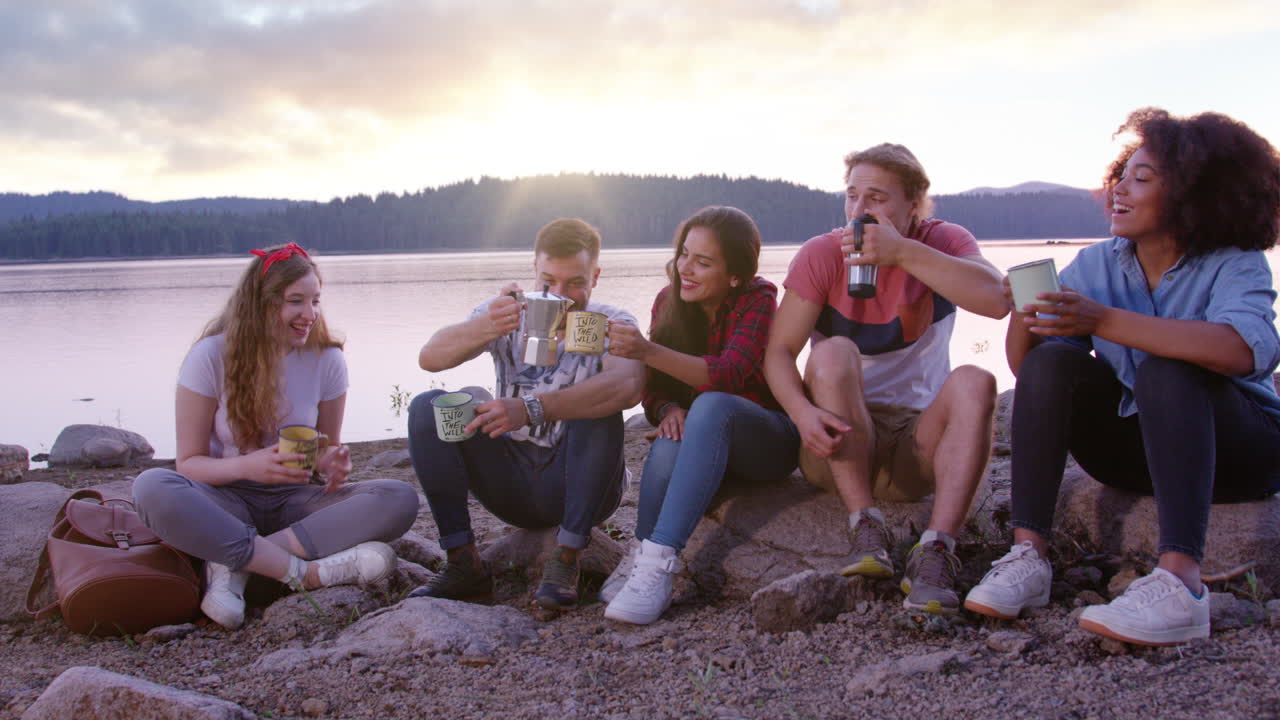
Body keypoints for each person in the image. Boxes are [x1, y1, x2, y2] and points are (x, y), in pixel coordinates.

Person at [964, 108, 1280, 645]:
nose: (1119, 190)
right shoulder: (1098, 263)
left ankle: (1182, 586)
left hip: (1241, 454)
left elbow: (1243, 350)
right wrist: (1024, 314)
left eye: (1142, 178)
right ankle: (1028, 556)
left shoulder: (1234, 262)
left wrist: (1104, 320)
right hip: (1140, 457)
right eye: (1121, 176)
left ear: (1194, 193)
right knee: (1053, 360)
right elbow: (1034, 376)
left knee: (1167, 368)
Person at [763, 143, 1009, 615]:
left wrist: (904, 253)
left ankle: (937, 552)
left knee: (977, 378)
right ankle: (865, 528)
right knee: (833, 351)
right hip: (838, 442)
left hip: (915, 450)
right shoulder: (822, 253)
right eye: (852, 195)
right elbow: (778, 353)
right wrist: (803, 413)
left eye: (876, 198)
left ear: (913, 204)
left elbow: (998, 301)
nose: (859, 210)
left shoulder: (943, 242)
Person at [134, 242, 420, 630]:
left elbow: (325, 449)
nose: (310, 314)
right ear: (262, 305)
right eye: (296, 302)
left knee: (397, 497)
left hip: (294, 504)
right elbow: (188, 464)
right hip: (225, 500)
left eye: (316, 300)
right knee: (152, 486)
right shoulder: (210, 356)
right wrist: (247, 466)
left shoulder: (327, 360)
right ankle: (306, 574)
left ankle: (236, 564)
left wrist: (332, 463)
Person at [406, 218, 644, 610]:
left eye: (576, 283)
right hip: (512, 483)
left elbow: (629, 387)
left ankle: (566, 559)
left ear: (596, 277)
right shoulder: (505, 313)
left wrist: (531, 409)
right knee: (425, 409)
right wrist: (486, 326)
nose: (561, 295)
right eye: (548, 282)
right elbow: (430, 358)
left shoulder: (612, 322)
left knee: (599, 408)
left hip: (583, 485)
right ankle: (464, 564)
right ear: (534, 269)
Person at [599, 206, 800, 625]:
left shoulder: (759, 299)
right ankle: (642, 554)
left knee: (710, 404)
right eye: (684, 254)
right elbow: (653, 389)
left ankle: (659, 563)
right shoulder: (668, 302)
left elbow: (729, 375)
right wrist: (668, 409)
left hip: (766, 441)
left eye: (703, 262)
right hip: (702, 440)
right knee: (673, 435)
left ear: (734, 276)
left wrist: (646, 350)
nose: (685, 269)